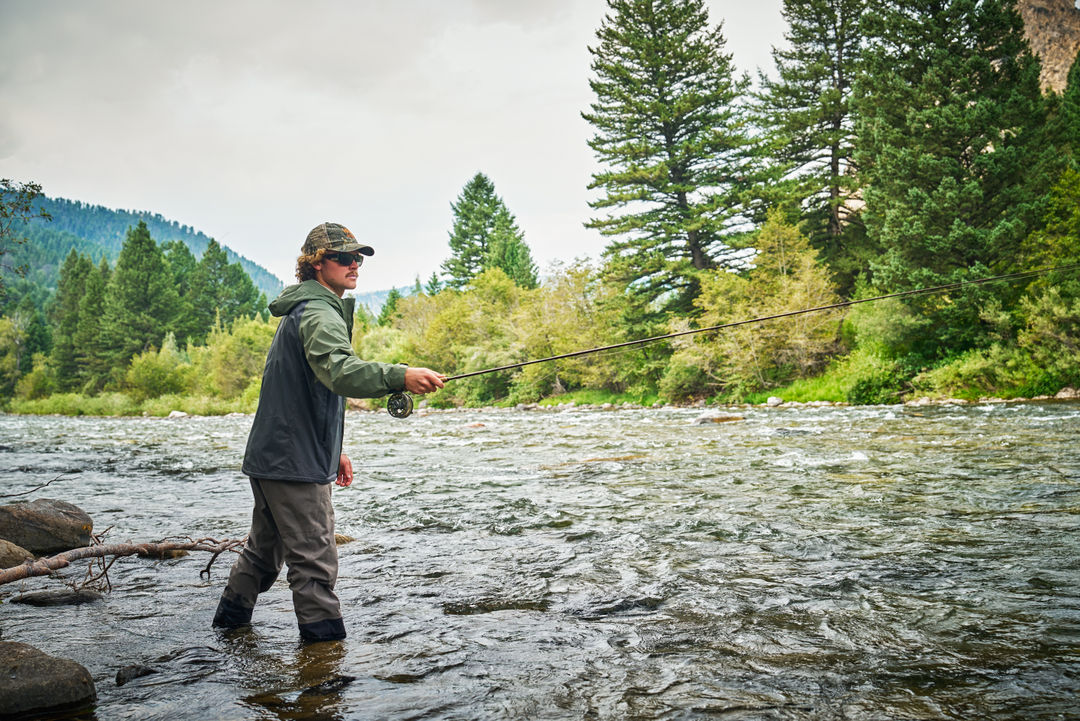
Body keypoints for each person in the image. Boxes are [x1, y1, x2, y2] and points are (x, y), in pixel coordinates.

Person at [212, 222, 445, 643]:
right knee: (315, 562)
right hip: (292, 461)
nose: (355, 265)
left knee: (263, 555)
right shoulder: (319, 311)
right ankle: (325, 673)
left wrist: (334, 448)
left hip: (276, 456)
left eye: (358, 258)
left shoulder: (307, 309)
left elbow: (311, 389)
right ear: (317, 264)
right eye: (344, 257)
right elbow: (340, 372)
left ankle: (226, 633)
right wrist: (401, 376)